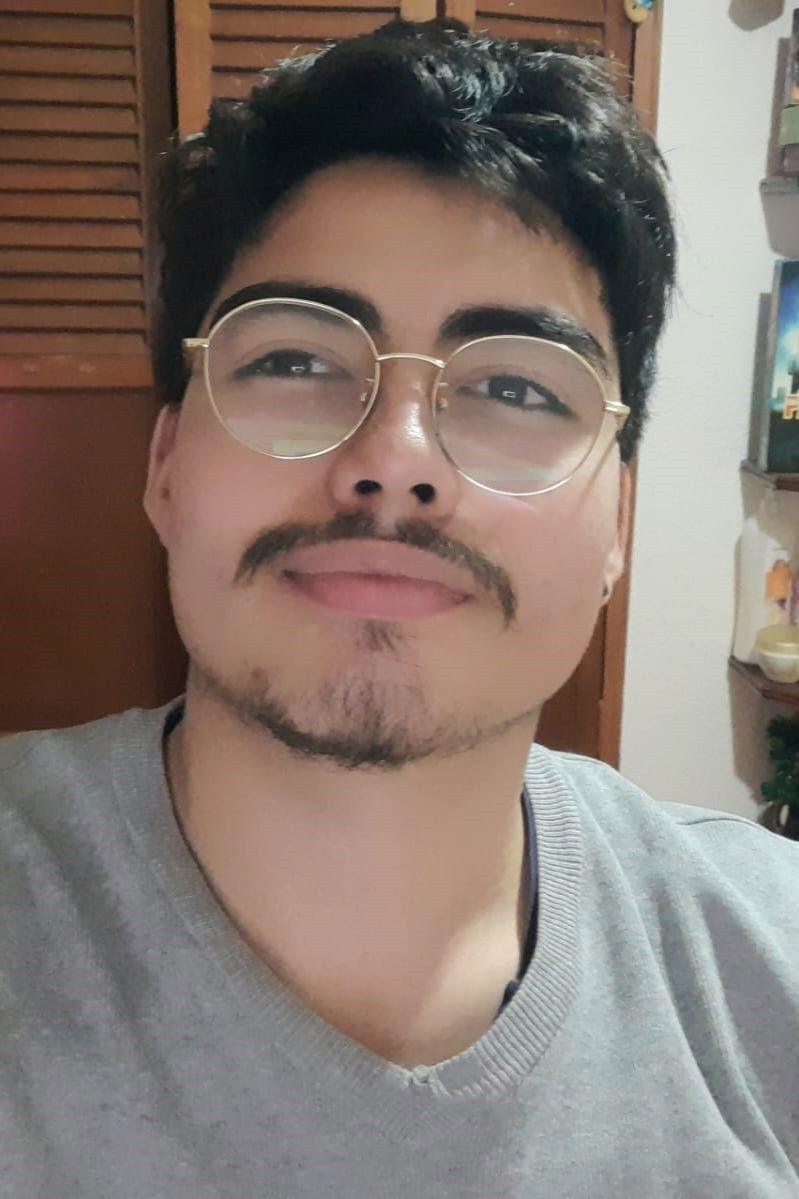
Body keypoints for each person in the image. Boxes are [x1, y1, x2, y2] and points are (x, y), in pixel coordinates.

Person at [1, 18, 797, 1197]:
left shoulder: (771, 953)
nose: (393, 461)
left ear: (618, 521)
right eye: (292, 361)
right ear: (165, 466)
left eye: (515, 385)